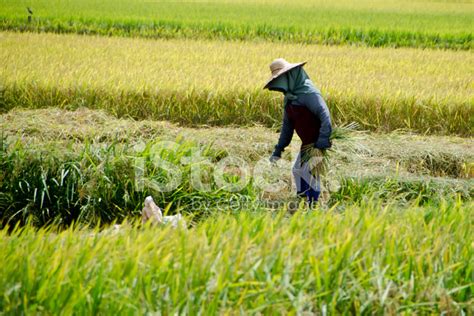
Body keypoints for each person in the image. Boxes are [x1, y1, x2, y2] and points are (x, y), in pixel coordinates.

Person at [264, 58, 332, 206]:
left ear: (290, 76)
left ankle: (313, 203)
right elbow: (287, 128)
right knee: (297, 171)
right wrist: (278, 149)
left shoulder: (309, 93)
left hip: (316, 143)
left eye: (281, 78)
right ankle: (303, 200)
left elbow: (325, 116)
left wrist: (322, 141)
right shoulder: (289, 98)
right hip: (306, 143)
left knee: (308, 172)